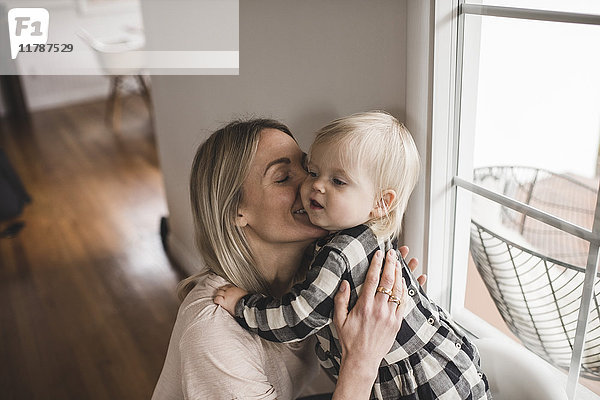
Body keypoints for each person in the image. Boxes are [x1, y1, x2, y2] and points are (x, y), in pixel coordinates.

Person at [215, 112, 491, 399]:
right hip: (452, 367)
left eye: (338, 181)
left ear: (381, 202)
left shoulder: (339, 254)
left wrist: (242, 305)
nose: (315, 185)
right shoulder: (372, 235)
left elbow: (298, 318)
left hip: (425, 387)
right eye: (314, 171)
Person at [151, 118, 424, 400]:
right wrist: (362, 361)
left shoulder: (320, 273)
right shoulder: (212, 332)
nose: (311, 184)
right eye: (283, 177)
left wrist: (385, 311)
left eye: (307, 167)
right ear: (236, 211)